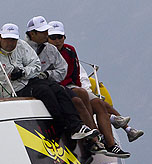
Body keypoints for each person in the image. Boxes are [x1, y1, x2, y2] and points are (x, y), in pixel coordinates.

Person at [0, 23, 96, 140]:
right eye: (7, 39)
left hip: (26, 81)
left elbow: (36, 65)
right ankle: (61, 126)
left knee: (57, 88)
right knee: (45, 91)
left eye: (13, 39)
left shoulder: (21, 46)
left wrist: (23, 72)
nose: (11, 43)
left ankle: (76, 126)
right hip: (11, 92)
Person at [47, 20, 139, 157]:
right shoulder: (45, 52)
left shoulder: (69, 50)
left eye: (59, 37)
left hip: (72, 85)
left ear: (64, 37)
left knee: (98, 103)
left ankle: (112, 145)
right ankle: (100, 134)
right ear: (47, 38)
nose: (56, 41)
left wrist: (76, 85)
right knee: (81, 94)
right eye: (53, 37)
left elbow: (76, 73)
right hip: (59, 87)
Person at [25, 16, 106, 152]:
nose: (48, 35)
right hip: (29, 85)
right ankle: (63, 128)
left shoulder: (52, 49)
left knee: (77, 99)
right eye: (43, 32)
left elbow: (63, 70)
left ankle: (91, 136)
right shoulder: (23, 48)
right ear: (32, 34)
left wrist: (47, 75)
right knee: (51, 94)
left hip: (50, 83)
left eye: (58, 36)